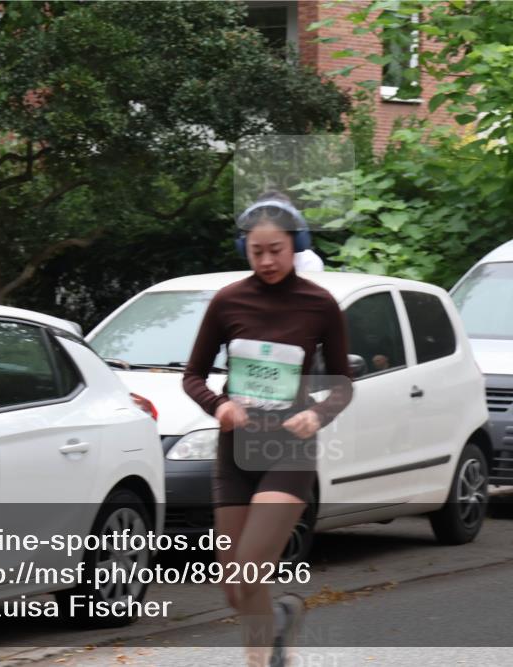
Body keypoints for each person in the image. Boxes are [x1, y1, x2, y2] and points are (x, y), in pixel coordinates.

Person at [183, 192, 353, 667]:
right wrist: (218, 405)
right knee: (234, 588)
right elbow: (192, 376)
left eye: (276, 250)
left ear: (296, 244)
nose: (266, 261)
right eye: (256, 251)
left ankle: (262, 657)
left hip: (289, 450)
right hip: (235, 452)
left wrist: (318, 414)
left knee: (248, 572)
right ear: (245, 249)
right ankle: (280, 621)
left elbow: (343, 384)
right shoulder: (228, 301)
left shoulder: (319, 304)